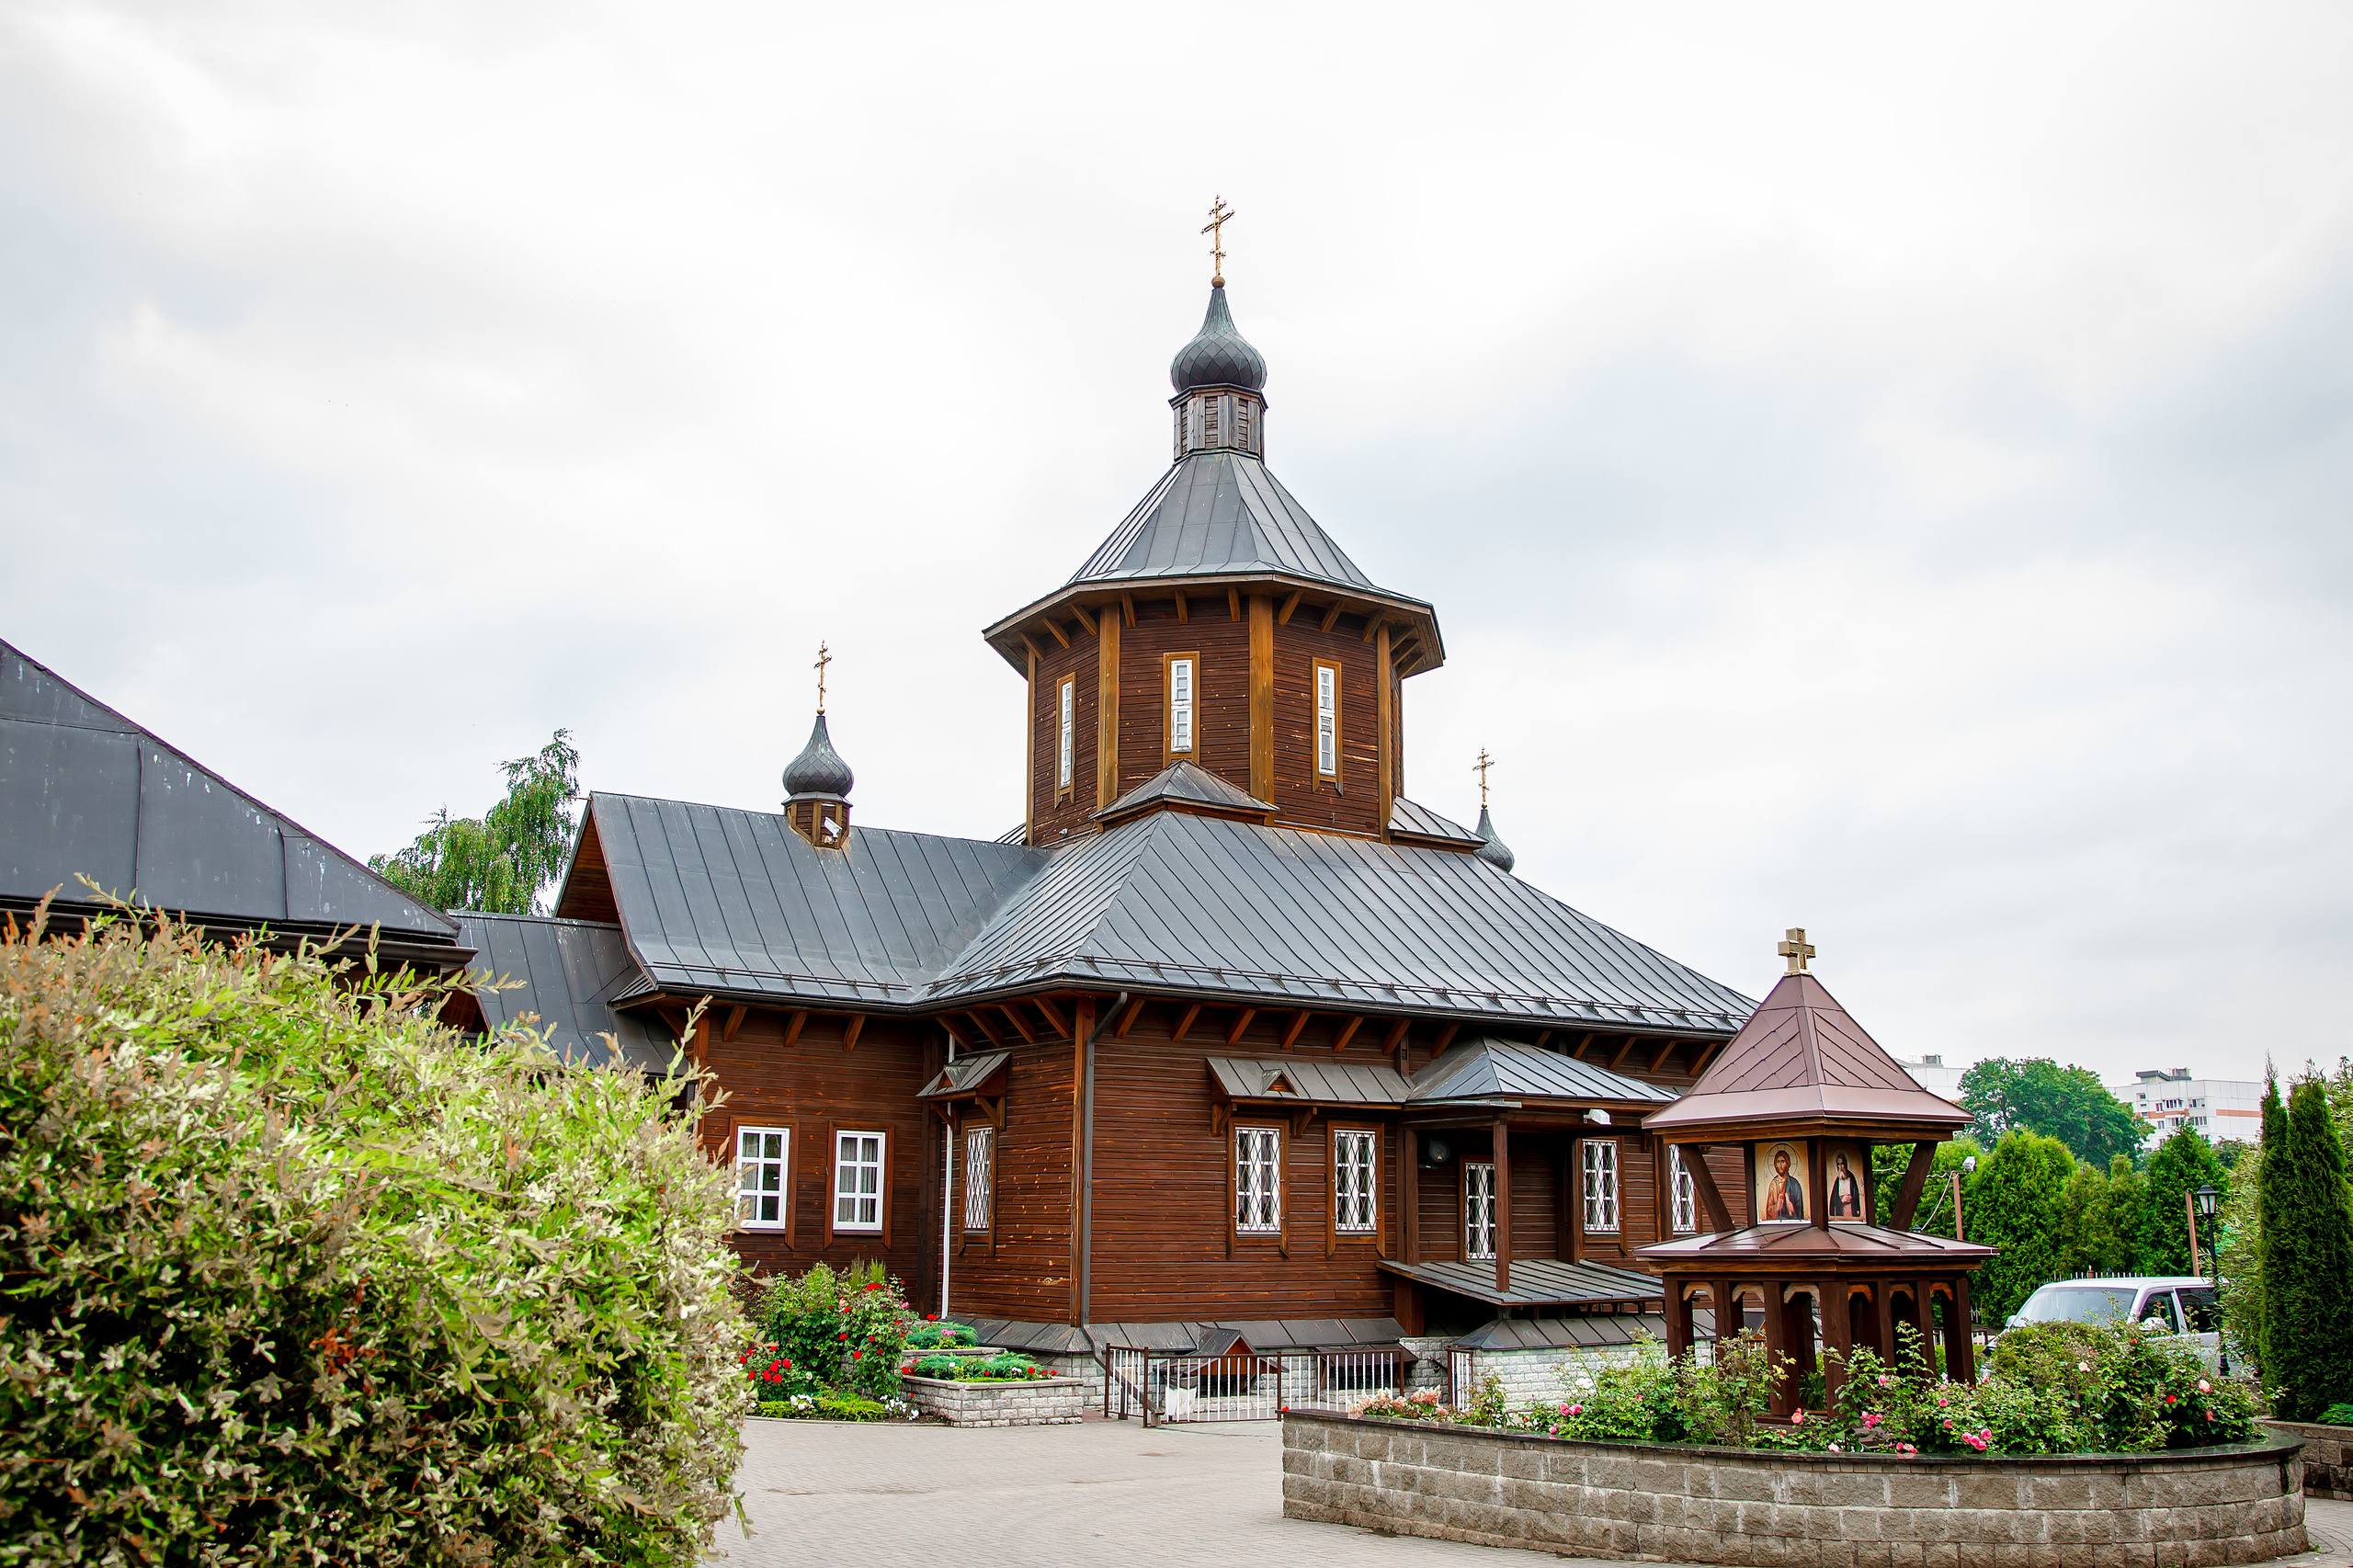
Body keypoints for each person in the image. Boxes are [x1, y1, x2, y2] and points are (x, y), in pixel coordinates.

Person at [1760, 1145, 1806, 1221]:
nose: (1780, 1165)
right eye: (1778, 1162)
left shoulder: (1794, 1184)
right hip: (1776, 1224)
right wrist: (1777, 1207)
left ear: (1787, 1164)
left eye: (1783, 1162)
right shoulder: (1773, 1184)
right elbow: (1769, 1211)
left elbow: (1800, 1209)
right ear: (1775, 1164)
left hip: (1793, 1223)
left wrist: (1792, 1210)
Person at [1827, 1153, 1862, 1219]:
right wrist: (1841, 1201)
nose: (1841, 1167)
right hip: (1841, 1211)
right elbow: (1833, 1201)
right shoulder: (1837, 1181)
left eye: (1842, 1164)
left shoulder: (1851, 1178)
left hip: (1851, 1209)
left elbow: (1856, 1196)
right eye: (1839, 1164)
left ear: (1846, 1164)